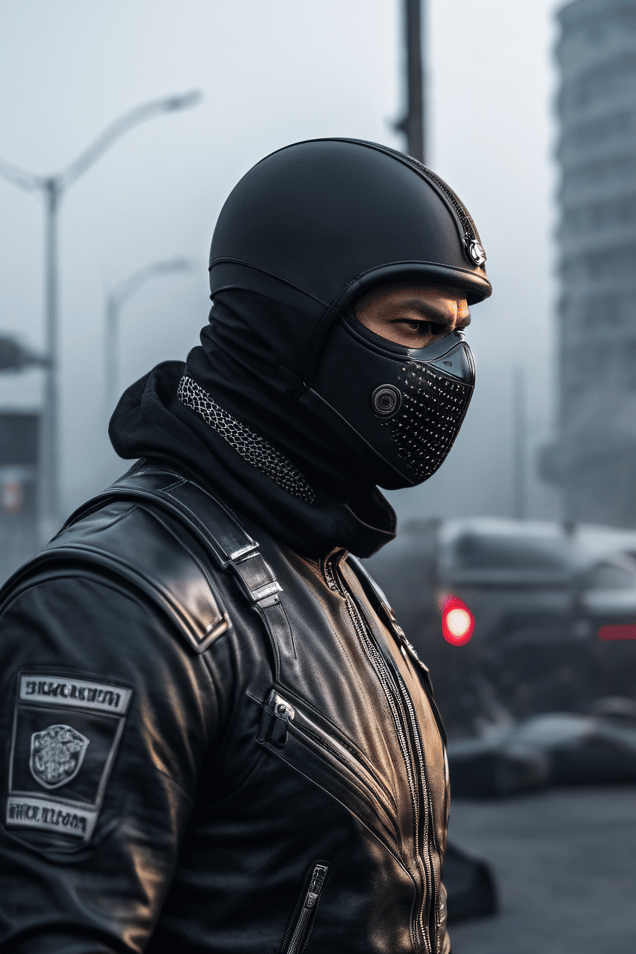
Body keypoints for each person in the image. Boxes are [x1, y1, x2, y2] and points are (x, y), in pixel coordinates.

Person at [0, 138, 491, 954]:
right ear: (299, 325)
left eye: (458, 332)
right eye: (415, 326)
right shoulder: (117, 604)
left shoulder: (326, 565)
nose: (451, 367)